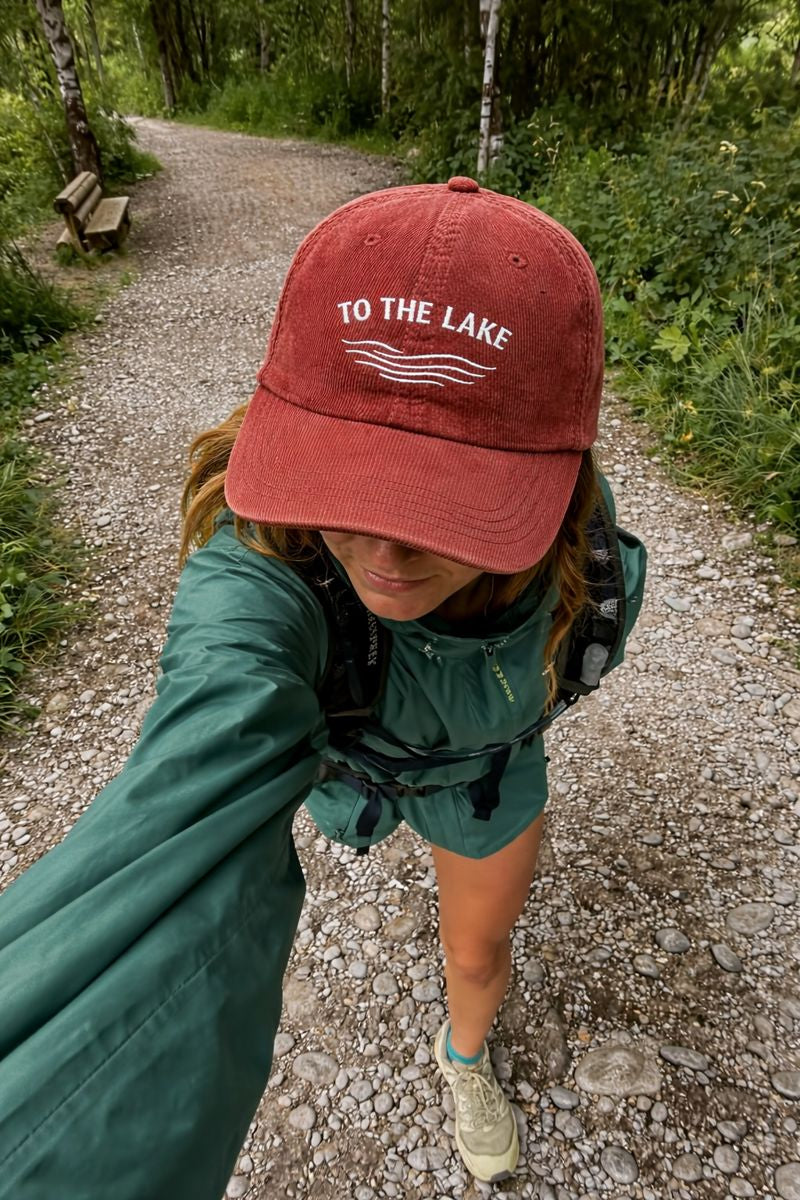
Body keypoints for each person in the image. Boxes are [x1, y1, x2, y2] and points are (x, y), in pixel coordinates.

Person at [0, 176, 646, 1198]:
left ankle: (462, 1058)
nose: (386, 549)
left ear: (557, 476)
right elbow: (188, 804)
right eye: (347, 479)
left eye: (451, 500)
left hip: (481, 776)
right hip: (358, 760)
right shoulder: (253, 561)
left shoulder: (582, 552)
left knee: (476, 958)